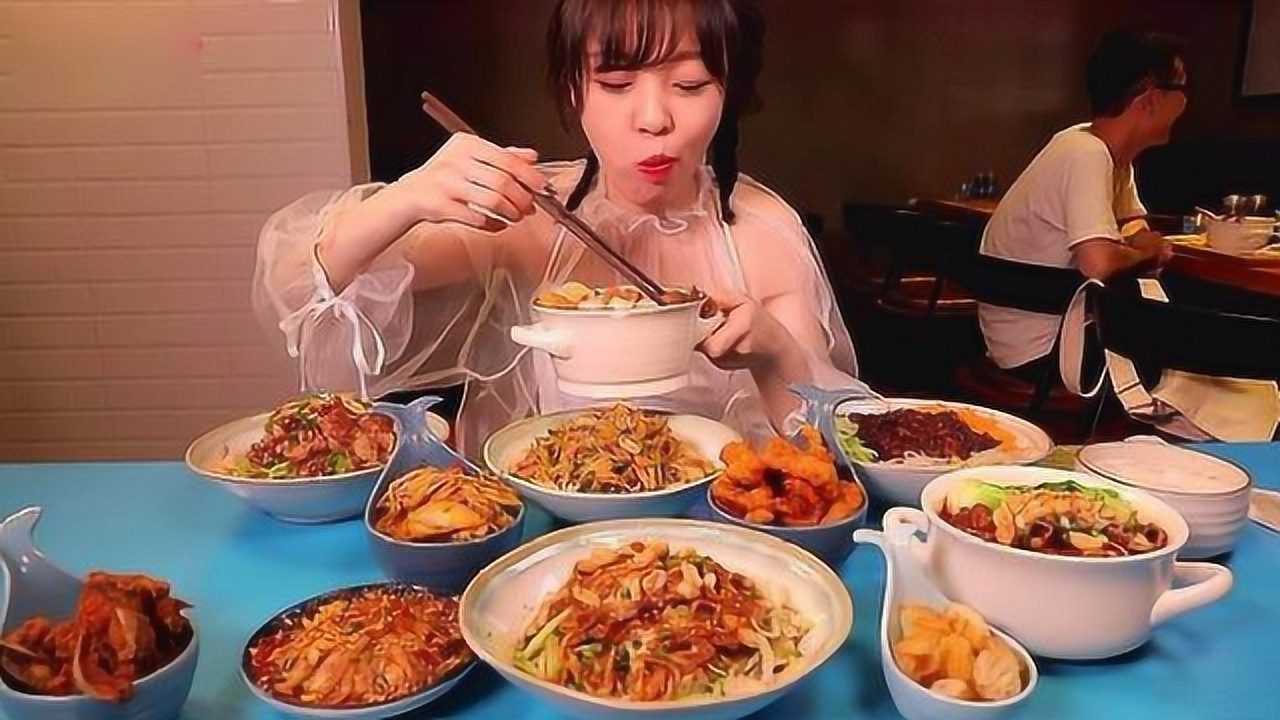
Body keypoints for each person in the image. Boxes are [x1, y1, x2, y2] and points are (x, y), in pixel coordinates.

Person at [252, 0, 858, 453]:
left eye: (690, 85)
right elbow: (301, 290)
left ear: (728, 91)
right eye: (615, 84)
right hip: (554, 537)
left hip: (718, 548)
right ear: (573, 88)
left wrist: (776, 354)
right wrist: (405, 199)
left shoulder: (760, 231)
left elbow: (834, 453)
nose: (654, 118)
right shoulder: (531, 217)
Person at [978, 28, 1185, 380]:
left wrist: (1138, 243)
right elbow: (1099, 262)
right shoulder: (1087, 154)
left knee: (1184, 344)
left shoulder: (1106, 153)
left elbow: (1133, 224)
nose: (1185, 103)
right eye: (1182, 89)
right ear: (1150, 100)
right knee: (1206, 365)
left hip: (1050, 333)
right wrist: (1147, 252)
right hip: (1045, 350)